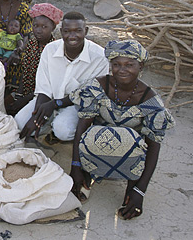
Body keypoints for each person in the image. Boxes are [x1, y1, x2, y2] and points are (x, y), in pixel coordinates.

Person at [68, 40, 175, 220]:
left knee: (131, 142)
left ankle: (131, 186)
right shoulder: (98, 86)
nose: (122, 69)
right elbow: (82, 128)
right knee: (90, 136)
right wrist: (76, 167)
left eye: (129, 65)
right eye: (116, 64)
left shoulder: (150, 101)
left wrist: (140, 191)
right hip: (97, 142)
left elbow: (153, 149)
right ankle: (88, 175)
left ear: (140, 66)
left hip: (131, 151)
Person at [16, 12, 109, 142]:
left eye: (78, 31)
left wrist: (54, 105)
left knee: (63, 131)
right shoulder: (50, 49)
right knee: (20, 122)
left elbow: (87, 95)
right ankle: (47, 125)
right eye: (67, 31)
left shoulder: (99, 57)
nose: (72, 36)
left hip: (76, 104)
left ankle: (55, 131)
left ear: (86, 31)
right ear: (61, 31)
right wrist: (36, 115)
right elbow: (44, 87)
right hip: (49, 100)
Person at [8, 3, 63, 115]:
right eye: (35, 25)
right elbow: (25, 70)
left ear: (53, 27)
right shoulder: (32, 43)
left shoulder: (55, 49)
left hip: (43, 97)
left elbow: (50, 86)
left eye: (44, 27)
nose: (38, 30)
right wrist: (19, 95)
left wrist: (24, 100)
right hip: (26, 91)